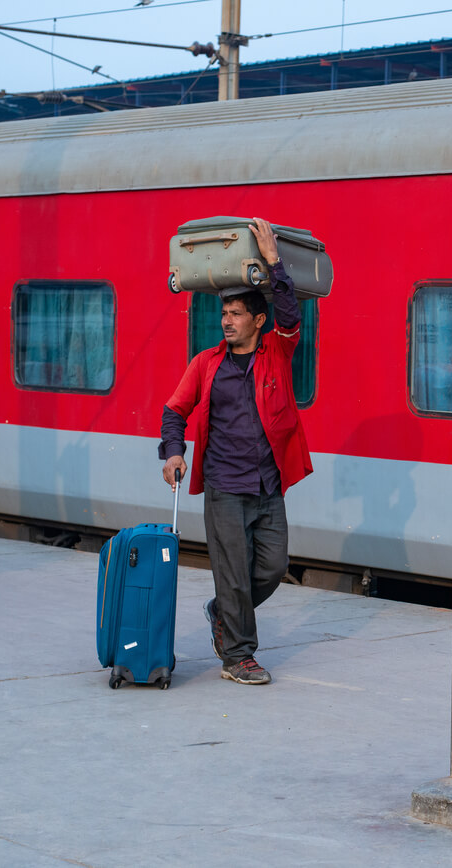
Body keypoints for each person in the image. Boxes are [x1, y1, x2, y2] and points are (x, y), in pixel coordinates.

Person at [158, 218, 313, 685]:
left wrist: (273, 263)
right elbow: (174, 411)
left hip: (268, 485)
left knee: (273, 566)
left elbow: (291, 316)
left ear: (257, 321)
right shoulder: (206, 364)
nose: (226, 320)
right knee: (235, 576)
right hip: (225, 486)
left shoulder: (277, 355)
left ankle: (222, 612)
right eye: (223, 313)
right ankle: (238, 656)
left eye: (236, 314)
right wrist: (172, 452)